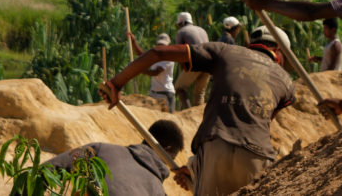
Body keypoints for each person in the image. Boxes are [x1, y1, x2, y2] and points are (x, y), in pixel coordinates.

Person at [103, 31, 295, 196]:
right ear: (278, 52)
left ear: (251, 44)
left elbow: (157, 53)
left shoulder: (225, 50)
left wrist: (116, 83)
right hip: (257, 154)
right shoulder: (287, 82)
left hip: (215, 146)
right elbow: (258, 124)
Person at [44, 119, 189, 196]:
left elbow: (45, 170)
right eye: (171, 158)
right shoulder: (157, 190)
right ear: (166, 149)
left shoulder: (101, 149)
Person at [171, 12, 210, 109]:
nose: (179, 27)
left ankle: (189, 111)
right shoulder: (202, 30)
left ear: (182, 23)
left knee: (179, 87)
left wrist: (182, 69)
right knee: (199, 92)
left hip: (196, 62)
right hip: (209, 63)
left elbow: (180, 53)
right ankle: (198, 116)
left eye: (179, 25)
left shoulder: (182, 32)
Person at [146, 36, 177, 112]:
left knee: (168, 119)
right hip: (153, 93)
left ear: (168, 46)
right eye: (159, 45)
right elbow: (142, 55)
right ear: (156, 45)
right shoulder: (154, 57)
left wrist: (142, 71)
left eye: (163, 45)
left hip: (166, 94)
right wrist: (133, 42)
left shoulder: (169, 57)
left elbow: (156, 72)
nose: (161, 47)